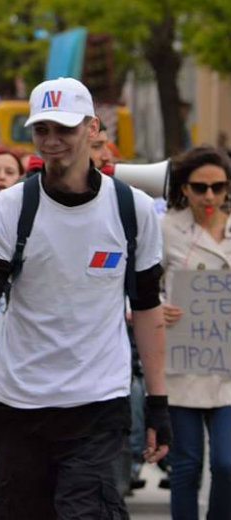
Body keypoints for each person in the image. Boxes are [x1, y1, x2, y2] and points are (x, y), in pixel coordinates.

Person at [0, 77, 171, 518]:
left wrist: (158, 402)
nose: (52, 141)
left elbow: (146, 308)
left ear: (94, 129)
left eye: (64, 129)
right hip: (17, 404)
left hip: (98, 404)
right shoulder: (9, 209)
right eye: (42, 130)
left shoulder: (132, 210)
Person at [161, 146, 231, 520]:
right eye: (200, 187)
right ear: (184, 188)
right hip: (182, 360)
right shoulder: (165, 227)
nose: (209, 196)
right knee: (186, 465)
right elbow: (138, 283)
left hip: (227, 364)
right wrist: (158, 307)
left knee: (227, 463)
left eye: (218, 187)